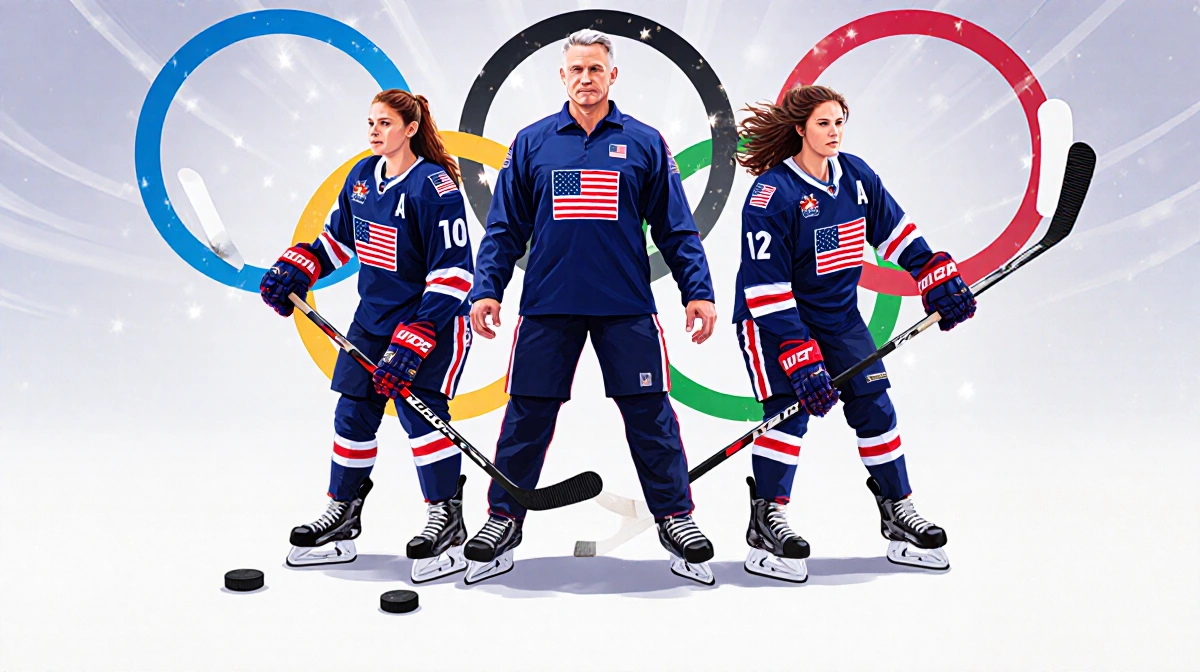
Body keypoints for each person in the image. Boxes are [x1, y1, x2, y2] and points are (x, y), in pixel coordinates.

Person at [466, 29, 720, 585]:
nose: (586, 78)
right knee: (527, 415)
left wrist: (697, 290)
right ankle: (502, 518)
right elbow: (504, 228)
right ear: (562, 76)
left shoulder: (646, 142)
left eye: (596, 69)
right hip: (547, 307)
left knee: (650, 415)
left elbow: (677, 229)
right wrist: (486, 288)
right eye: (576, 69)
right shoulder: (532, 143)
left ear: (613, 75)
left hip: (625, 306)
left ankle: (676, 516)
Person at [731, 85, 976, 582]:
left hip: (840, 318)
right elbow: (765, 286)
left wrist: (932, 271)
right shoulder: (771, 195)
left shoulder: (856, 176)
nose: (834, 132)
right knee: (788, 415)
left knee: (875, 406)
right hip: (775, 321)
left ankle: (898, 511)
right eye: (823, 123)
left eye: (839, 121)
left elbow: (896, 232)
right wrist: (798, 353)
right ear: (801, 129)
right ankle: (766, 519)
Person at [259, 89, 476, 584]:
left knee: (423, 419)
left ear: (410, 127)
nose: (375, 131)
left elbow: (455, 273)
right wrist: (300, 268)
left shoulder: (435, 187)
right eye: (370, 122)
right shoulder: (361, 178)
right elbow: (338, 243)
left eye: (384, 123)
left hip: (431, 321)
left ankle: (446, 518)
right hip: (373, 318)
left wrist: (417, 336)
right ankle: (343, 514)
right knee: (352, 413)